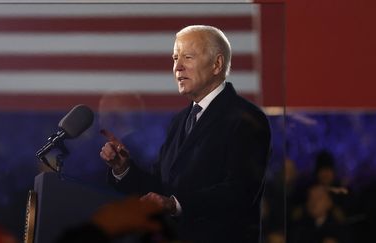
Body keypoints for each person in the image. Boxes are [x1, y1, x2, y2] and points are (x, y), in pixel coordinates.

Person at [100, 25, 271, 242]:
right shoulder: (180, 121)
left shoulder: (246, 118)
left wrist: (175, 204)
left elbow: (240, 192)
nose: (177, 67)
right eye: (174, 58)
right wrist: (123, 169)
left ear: (217, 64)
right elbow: (161, 186)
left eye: (187, 57)